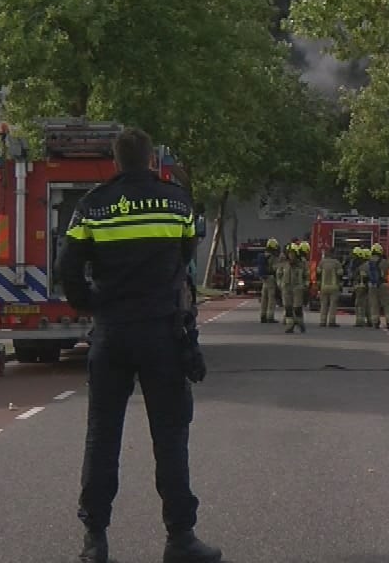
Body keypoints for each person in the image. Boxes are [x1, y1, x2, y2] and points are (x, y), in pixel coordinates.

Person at [55, 126, 221, 563]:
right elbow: (186, 255)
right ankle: (180, 538)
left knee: (102, 434)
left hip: (112, 333)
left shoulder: (93, 205)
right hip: (162, 332)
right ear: (151, 160)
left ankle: (94, 540)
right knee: (170, 436)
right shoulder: (177, 201)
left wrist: (91, 303)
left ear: (115, 161)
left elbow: (67, 265)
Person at [281, 241, 309, 333]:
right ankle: (290, 325)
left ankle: (300, 323)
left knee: (297, 308)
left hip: (298, 288)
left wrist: (305, 285)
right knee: (288, 307)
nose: (291, 256)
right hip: (286, 288)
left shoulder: (302, 264)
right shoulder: (284, 264)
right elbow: (279, 274)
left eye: (292, 254)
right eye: (289, 254)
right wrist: (280, 284)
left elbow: (307, 276)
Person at [317, 247, 343, 327]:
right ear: (333, 253)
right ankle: (332, 321)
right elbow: (340, 273)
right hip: (334, 287)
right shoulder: (337, 263)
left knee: (323, 305)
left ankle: (322, 321)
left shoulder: (322, 262)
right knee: (332, 305)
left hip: (323, 287)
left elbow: (318, 272)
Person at [258, 238, 281, 324]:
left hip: (264, 279)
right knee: (272, 298)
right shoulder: (272, 257)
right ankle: (270, 316)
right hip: (271, 278)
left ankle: (263, 315)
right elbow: (275, 268)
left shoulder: (264, 255)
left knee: (264, 298)